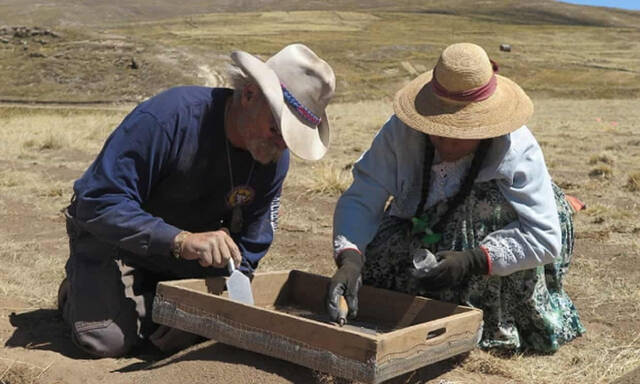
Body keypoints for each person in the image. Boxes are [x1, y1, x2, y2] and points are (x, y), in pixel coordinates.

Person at [58, 43, 336, 358]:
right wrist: (180, 239)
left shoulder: (272, 157)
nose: (282, 144)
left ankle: (152, 303)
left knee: (204, 325)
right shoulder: (169, 119)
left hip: (188, 258)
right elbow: (98, 201)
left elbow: (252, 243)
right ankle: (78, 292)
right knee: (108, 339)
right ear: (248, 95)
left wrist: (205, 316)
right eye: (277, 129)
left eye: (290, 137)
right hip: (117, 242)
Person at [327, 43, 585, 353]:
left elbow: (543, 237)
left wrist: (474, 260)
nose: (447, 143)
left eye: (459, 132)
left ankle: (488, 321)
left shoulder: (516, 147)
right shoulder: (400, 132)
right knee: (379, 266)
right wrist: (350, 258)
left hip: (492, 237)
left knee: (485, 210)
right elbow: (363, 196)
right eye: (438, 129)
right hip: (419, 221)